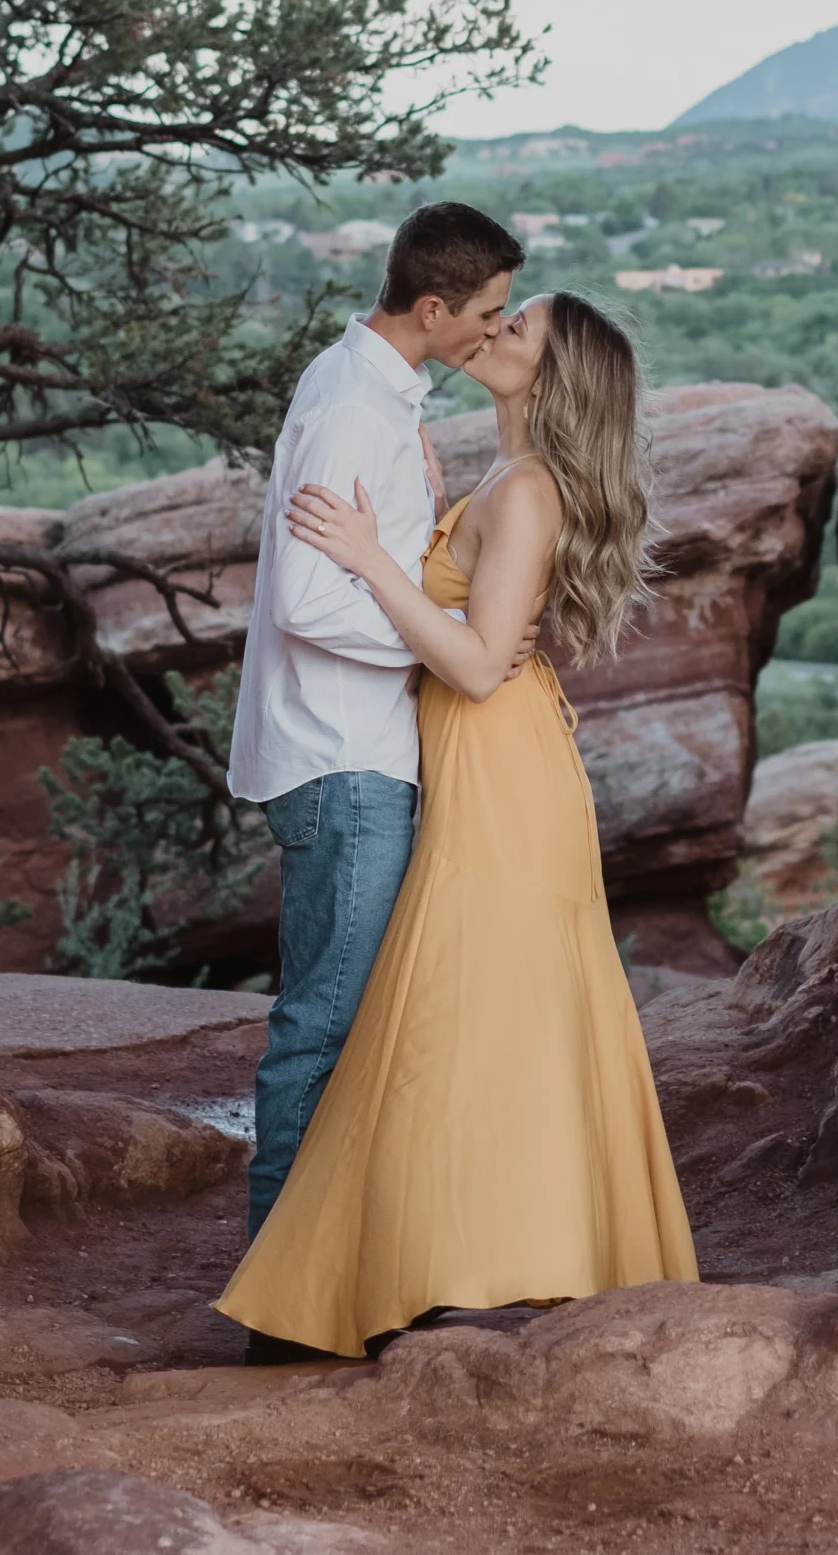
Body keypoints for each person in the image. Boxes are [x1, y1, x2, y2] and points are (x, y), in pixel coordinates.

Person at [216, 290, 698, 1360]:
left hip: (498, 768)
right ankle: (419, 1273)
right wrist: (431, 515)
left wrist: (376, 557)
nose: (493, 333)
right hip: (485, 764)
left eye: (515, 328)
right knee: (458, 1024)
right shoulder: (507, 481)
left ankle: (405, 1282)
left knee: (447, 1024)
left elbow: (479, 666)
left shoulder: (527, 490)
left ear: (552, 375)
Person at [228, 200, 528, 1348]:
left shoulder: (367, 391)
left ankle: (331, 1277)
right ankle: (281, 1305)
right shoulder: (355, 406)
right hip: (347, 760)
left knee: (356, 1026)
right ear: (432, 306)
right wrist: (443, 638)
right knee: (322, 1029)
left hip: (349, 752)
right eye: (485, 315)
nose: (491, 336)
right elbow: (311, 601)